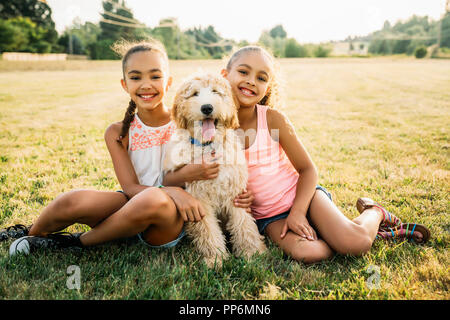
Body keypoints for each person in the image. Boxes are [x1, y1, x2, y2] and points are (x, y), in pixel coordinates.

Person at [218, 45, 430, 264]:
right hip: (269, 217)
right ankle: (344, 234)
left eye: (261, 78)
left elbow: (307, 170)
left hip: (304, 197)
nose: (251, 81)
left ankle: (374, 212)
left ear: (268, 86)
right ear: (225, 75)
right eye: (243, 72)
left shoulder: (272, 120)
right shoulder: (212, 128)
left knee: (353, 244)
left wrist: (298, 212)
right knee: (311, 253)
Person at [3, 38, 210, 255]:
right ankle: (32, 234)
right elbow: (130, 188)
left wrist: (173, 193)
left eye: (155, 76)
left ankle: (75, 244)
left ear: (168, 83)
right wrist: (169, 190)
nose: (146, 84)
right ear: (125, 84)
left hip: (169, 219)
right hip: (130, 204)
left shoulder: (187, 123)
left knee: (154, 199)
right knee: (72, 200)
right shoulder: (118, 132)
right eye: (136, 77)